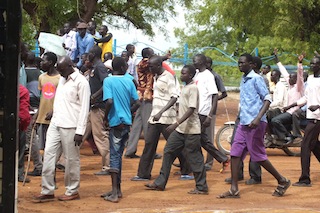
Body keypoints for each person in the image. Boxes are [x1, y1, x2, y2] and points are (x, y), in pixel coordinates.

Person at [217, 53, 290, 199]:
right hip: (244, 123)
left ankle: (282, 180)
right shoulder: (243, 79)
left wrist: (258, 118)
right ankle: (234, 189)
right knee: (235, 153)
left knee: (258, 156)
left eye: (242, 63)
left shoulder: (256, 79)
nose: (239, 65)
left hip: (255, 124)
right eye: (238, 63)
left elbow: (267, 99)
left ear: (251, 64)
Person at [33, 56, 90, 202]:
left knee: (71, 160)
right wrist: (53, 111)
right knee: (48, 156)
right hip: (56, 123)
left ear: (70, 66)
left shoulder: (81, 82)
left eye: (62, 70)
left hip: (71, 126)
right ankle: (47, 190)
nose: (60, 72)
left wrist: (80, 131)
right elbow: (60, 99)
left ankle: (72, 190)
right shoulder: (63, 79)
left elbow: (84, 108)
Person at [144, 64, 208, 194]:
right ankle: (160, 182)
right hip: (181, 131)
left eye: (184, 73)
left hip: (191, 130)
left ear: (190, 75)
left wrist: (176, 123)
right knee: (168, 151)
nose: (181, 75)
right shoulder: (185, 88)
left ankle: (201, 187)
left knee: (195, 157)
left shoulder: (193, 89)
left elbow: (191, 109)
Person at [131, 55, 190, 181]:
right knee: (149, 145)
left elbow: (174, 97)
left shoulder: (168, 77)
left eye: (151, 66)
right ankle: (143, 174)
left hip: (167, 119)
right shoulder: (156, 76)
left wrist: (161, 112)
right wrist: (156, 114)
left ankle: (187, 170)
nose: (149, 68)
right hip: (155, 118)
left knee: (176, 145)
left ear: (159, 66)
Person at [100, 57, 140, 203]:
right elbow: (137, 102)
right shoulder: (129, 81)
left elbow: (109, 101)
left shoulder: (108, 81)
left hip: (115, 122)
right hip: (126, 122)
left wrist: (105, 118)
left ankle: (115, 193)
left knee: (114, 156)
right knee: (118, 154)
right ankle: (117, 190)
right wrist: (127, 112)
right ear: (123, 67)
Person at [124, 48, 167, 160]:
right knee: (148, 124)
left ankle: (130, 150)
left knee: (137, 124)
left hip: (142, 96)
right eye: (152, 54)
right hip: (146, 97)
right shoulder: (144, 64)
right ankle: (150, 151)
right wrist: (164, 57)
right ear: (148, 56)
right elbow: (150, 63)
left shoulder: (144, 65)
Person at [284, 55, 320, 187]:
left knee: (305, 146)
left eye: (315, 64)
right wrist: (292, 105)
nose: (312, 66)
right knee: (314, 144)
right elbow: (306, 97)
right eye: (311, 64)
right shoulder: (310, 79)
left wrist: (318, 106)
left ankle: (305, 179)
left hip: (317, 117)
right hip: (310, 115)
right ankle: (305, 177)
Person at [192, 54, 229, 171]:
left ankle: (198, 164)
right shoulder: (197, 74)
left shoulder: (211, 76)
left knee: (199, 138)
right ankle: (222, 158)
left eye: (196, 61)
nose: (194, 63)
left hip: (205, 112)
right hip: (196, 111)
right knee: (202, 139)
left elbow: (216, 95)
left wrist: (209, 114)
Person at [28, 52, 61, 177]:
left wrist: (54, 111)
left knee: (51, 149)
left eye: (44, 61)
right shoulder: (42, 77)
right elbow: (43, 97)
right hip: (42, 117)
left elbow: (61, 98)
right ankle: (46, 173)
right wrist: (37, 116)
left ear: (51, 62)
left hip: (54, 117)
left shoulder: (59, 79)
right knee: (45, 148)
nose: (41, 63)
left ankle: (51, 175)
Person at [82, 45, 111, 175]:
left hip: (98, 107)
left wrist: (95, 95)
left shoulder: (100, 67)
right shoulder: (94, 67)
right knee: (80, 132)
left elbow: (106, 83)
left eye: (90, 53)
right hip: (92, 107)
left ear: (94, 54)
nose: (88, 55)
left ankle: (108, 166)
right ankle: (63, 161)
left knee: (100, 137)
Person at [271, 51, 304, 143]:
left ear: (296, 79)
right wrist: (276, 58)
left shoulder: (298, 87)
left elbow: (300, 75)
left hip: (292, 112)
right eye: (289, 77)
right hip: (286, 111)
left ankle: (288, 136)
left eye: (292, 78)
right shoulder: (290, 86)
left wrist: (300, 63)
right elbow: (283, 71)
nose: (289, 79)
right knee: (271, 116)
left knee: (275, 120)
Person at [204, 56, 227, 171]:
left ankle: (209, 162)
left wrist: (213, 100)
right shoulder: (200, 75)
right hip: (200, 109)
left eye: (207, 63)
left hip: (210, 111)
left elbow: (224, 93)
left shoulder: (215, 76)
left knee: (208, 137)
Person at [18, 84, 31, 183]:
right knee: (20, 150)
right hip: (19, 122)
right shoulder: (23, 90)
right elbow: (24, 111)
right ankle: (19, 174)